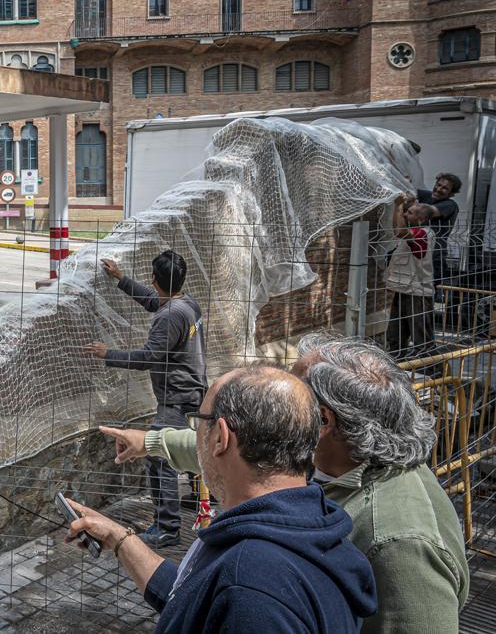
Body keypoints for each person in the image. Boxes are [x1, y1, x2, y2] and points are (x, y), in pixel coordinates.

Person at [101, 332, 468, 634]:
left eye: (295, 390)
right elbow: (239, 449)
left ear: (322, 421)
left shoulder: (402, 539)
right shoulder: (322, 464)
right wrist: (147, 442)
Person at [67, 365, 377, 632]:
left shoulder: (252, 588)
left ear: (220, 437)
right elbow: (191, 598)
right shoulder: (307, 526)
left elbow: (235, 593)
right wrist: (119, 539)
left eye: (199, 422)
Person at [85, 250, 205, 548]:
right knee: (184, 447)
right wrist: (122, 279)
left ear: (155, 279)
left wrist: (108, 354)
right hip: (191, 391)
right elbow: (156, 302)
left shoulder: (169, 315)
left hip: (177, 396)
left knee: (159, 457)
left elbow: (148, 357)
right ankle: (200, 498)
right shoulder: (186, 303)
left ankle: (167, 529)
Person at [385, 194, 436, 360]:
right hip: (404, 289)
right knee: (395, 335)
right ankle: (396, 366)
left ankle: (431, 372)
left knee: (422, 340)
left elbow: (399, 232)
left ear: (421, 219)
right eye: (406, 212)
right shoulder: (417, 231)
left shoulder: (422, 234)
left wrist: (398, 206)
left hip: (418, 294)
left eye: (410, 213)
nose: (406, 215)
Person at [417, 172, 462, 285]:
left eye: (444, 188)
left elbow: (426, 212)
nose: (438, 189)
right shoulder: (427, 195)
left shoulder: (450, 204)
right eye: (438, 184)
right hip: (417, 253)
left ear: (452, 194)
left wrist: (409, 203)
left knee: (425, 295)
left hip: (433, 258)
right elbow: (405, 189)